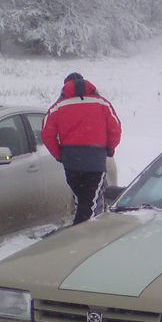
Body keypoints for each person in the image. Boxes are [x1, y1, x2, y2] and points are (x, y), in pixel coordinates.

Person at [41, 73, 122, 224]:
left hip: (71, 160)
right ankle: (83, 237)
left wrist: (59, 154)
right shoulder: (102, 104)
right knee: (89, 203)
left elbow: (47, 134)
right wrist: (109, 149)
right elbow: (115, 129)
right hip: (95, 158)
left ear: (65, 87)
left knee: (82, 199)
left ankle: (85, 230)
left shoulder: (58, 107)